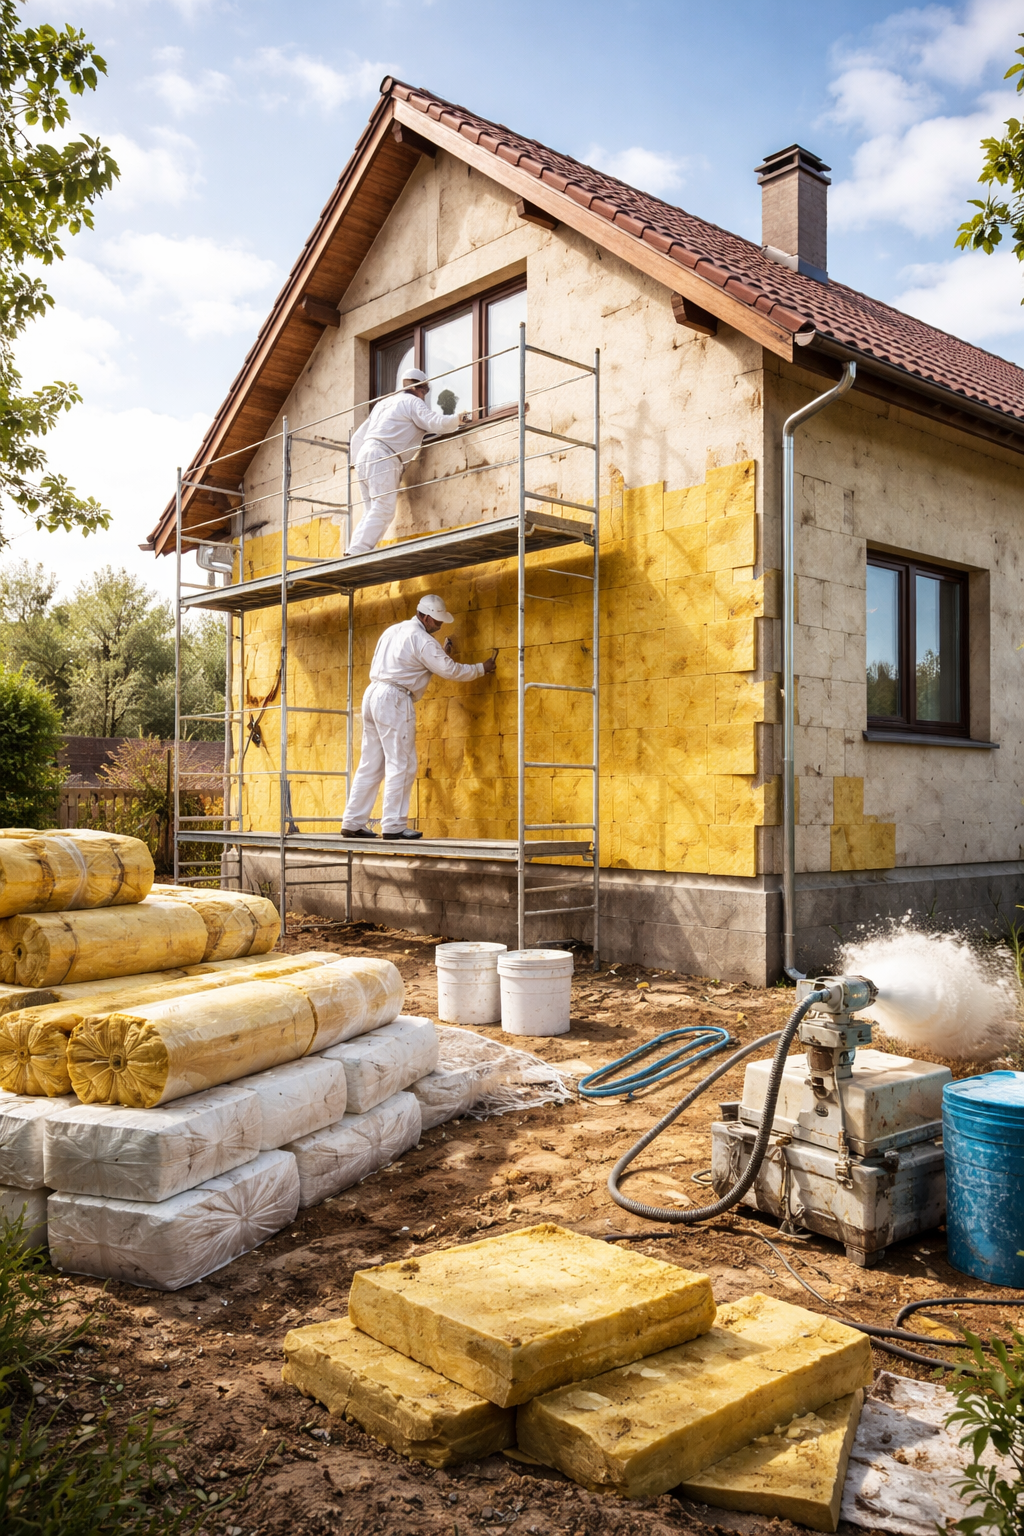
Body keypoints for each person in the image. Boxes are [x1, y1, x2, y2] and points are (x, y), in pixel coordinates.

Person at [342, 594, 497, 841]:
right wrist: (482, 668)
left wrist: (440, 653)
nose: (440, 625)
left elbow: (410, 663)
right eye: (436, 620)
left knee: (371, 763)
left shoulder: (394, 631)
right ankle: (393, 825)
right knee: (402, 763)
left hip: (373, 695)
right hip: (394, 699)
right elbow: (451, 670)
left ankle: (353, 822)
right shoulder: (422, 640)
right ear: (424, 617)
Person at [346, 367, 462, 556]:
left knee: (370, 509)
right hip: (384, 457)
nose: (424, 396)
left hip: (364, 455)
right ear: (417, 388)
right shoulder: (412, 402)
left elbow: (358, 436)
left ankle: (353, 550)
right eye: (424, 391)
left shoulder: (383, 403)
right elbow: (434, 422)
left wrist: (356, 463)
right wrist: (458, 419)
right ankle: (358, 550)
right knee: (383, 507)